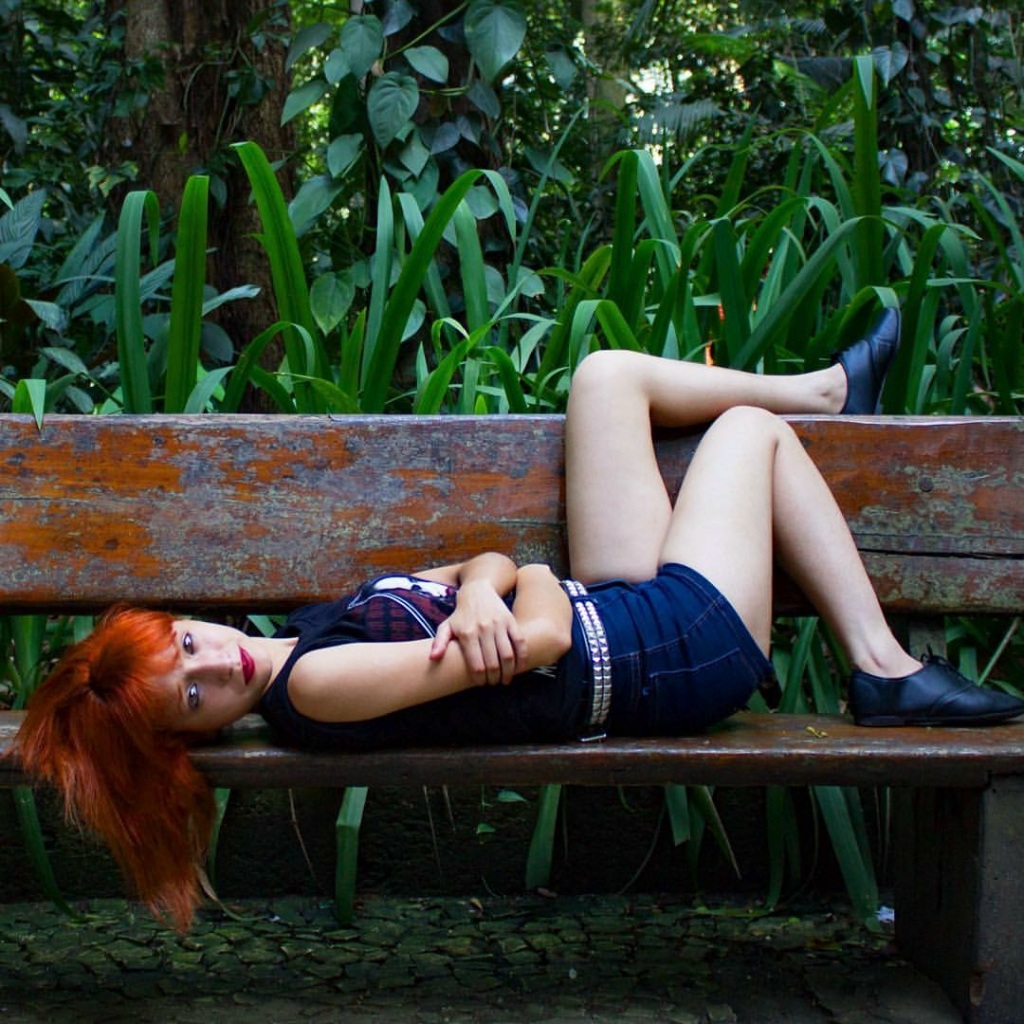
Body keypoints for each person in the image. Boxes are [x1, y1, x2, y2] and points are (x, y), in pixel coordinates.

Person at [14, 307, 1024, 930]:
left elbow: (485, 567)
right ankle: (881, 663)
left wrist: (487, 588)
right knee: (747, 435)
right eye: (193, 699)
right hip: (671, 651)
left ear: (183, 621)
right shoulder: (315, 685)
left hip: (618, 612)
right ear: (193, 741)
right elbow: (538, 634)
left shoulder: (309, 627)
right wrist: (516, 583)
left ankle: (830, 390)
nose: (215, 668)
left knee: (606, 377)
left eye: (188, 648)